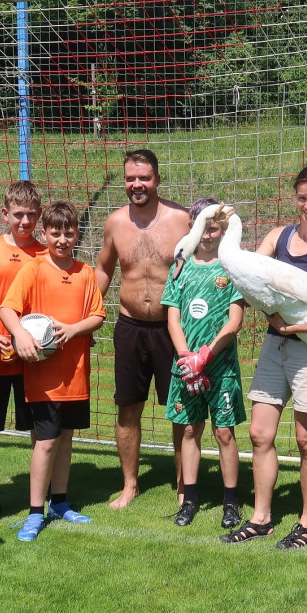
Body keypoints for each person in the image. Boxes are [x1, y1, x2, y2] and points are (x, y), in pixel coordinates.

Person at [222, 164, 307, 549]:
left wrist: (295, 328)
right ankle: (261, 518)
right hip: (274, 347)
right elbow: (248, 281)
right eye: (302, 198)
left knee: (306, 441)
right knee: (260, 434)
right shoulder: (278, 237)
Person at [1, 201, 106, 542]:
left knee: (65, 440)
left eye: (69, 233)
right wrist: (20, 335)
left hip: (75, 375)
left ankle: (60, 502)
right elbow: (7, 309)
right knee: (45, 443)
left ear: (77, 234)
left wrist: (73, 330)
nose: (62, 240)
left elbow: (97, 315)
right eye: (55, 233)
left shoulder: (85, 272)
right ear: (44, 234)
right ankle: (35, 512)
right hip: (43, 379)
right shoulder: (33, 269)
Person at [95, 149, 191, 508]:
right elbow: (103, 269)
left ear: (157, 180)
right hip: (130, 328)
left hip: (173, 329)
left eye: (145, 178)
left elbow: (206, 266)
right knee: (128, 409)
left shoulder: (182, 219)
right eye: (131, 178)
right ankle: (130, 484)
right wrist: (85, 314)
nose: (137, 184)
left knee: (181, 410)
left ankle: (184, 486)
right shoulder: (115, 222)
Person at [163, 198, 247, 529]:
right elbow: (172, 318)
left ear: (223, 230)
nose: (209, 235)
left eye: (215, 228)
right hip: (186, 368)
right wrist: (187, 357)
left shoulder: (231, 268)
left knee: (224, 432)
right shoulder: (180, 267)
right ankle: (189, 500)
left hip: (220, 367)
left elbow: (234, 321)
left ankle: (231, 502)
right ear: (193, 228)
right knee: (189, 429)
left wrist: (206, 355)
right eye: (204, 228)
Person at [0, 180, 47, 522]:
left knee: (38, 427)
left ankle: (43, 490)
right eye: (18, 214)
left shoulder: (47, 253)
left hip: (33, 359)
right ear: (5, 214)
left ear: (40, 215)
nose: (25, 221)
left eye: (31, 215)